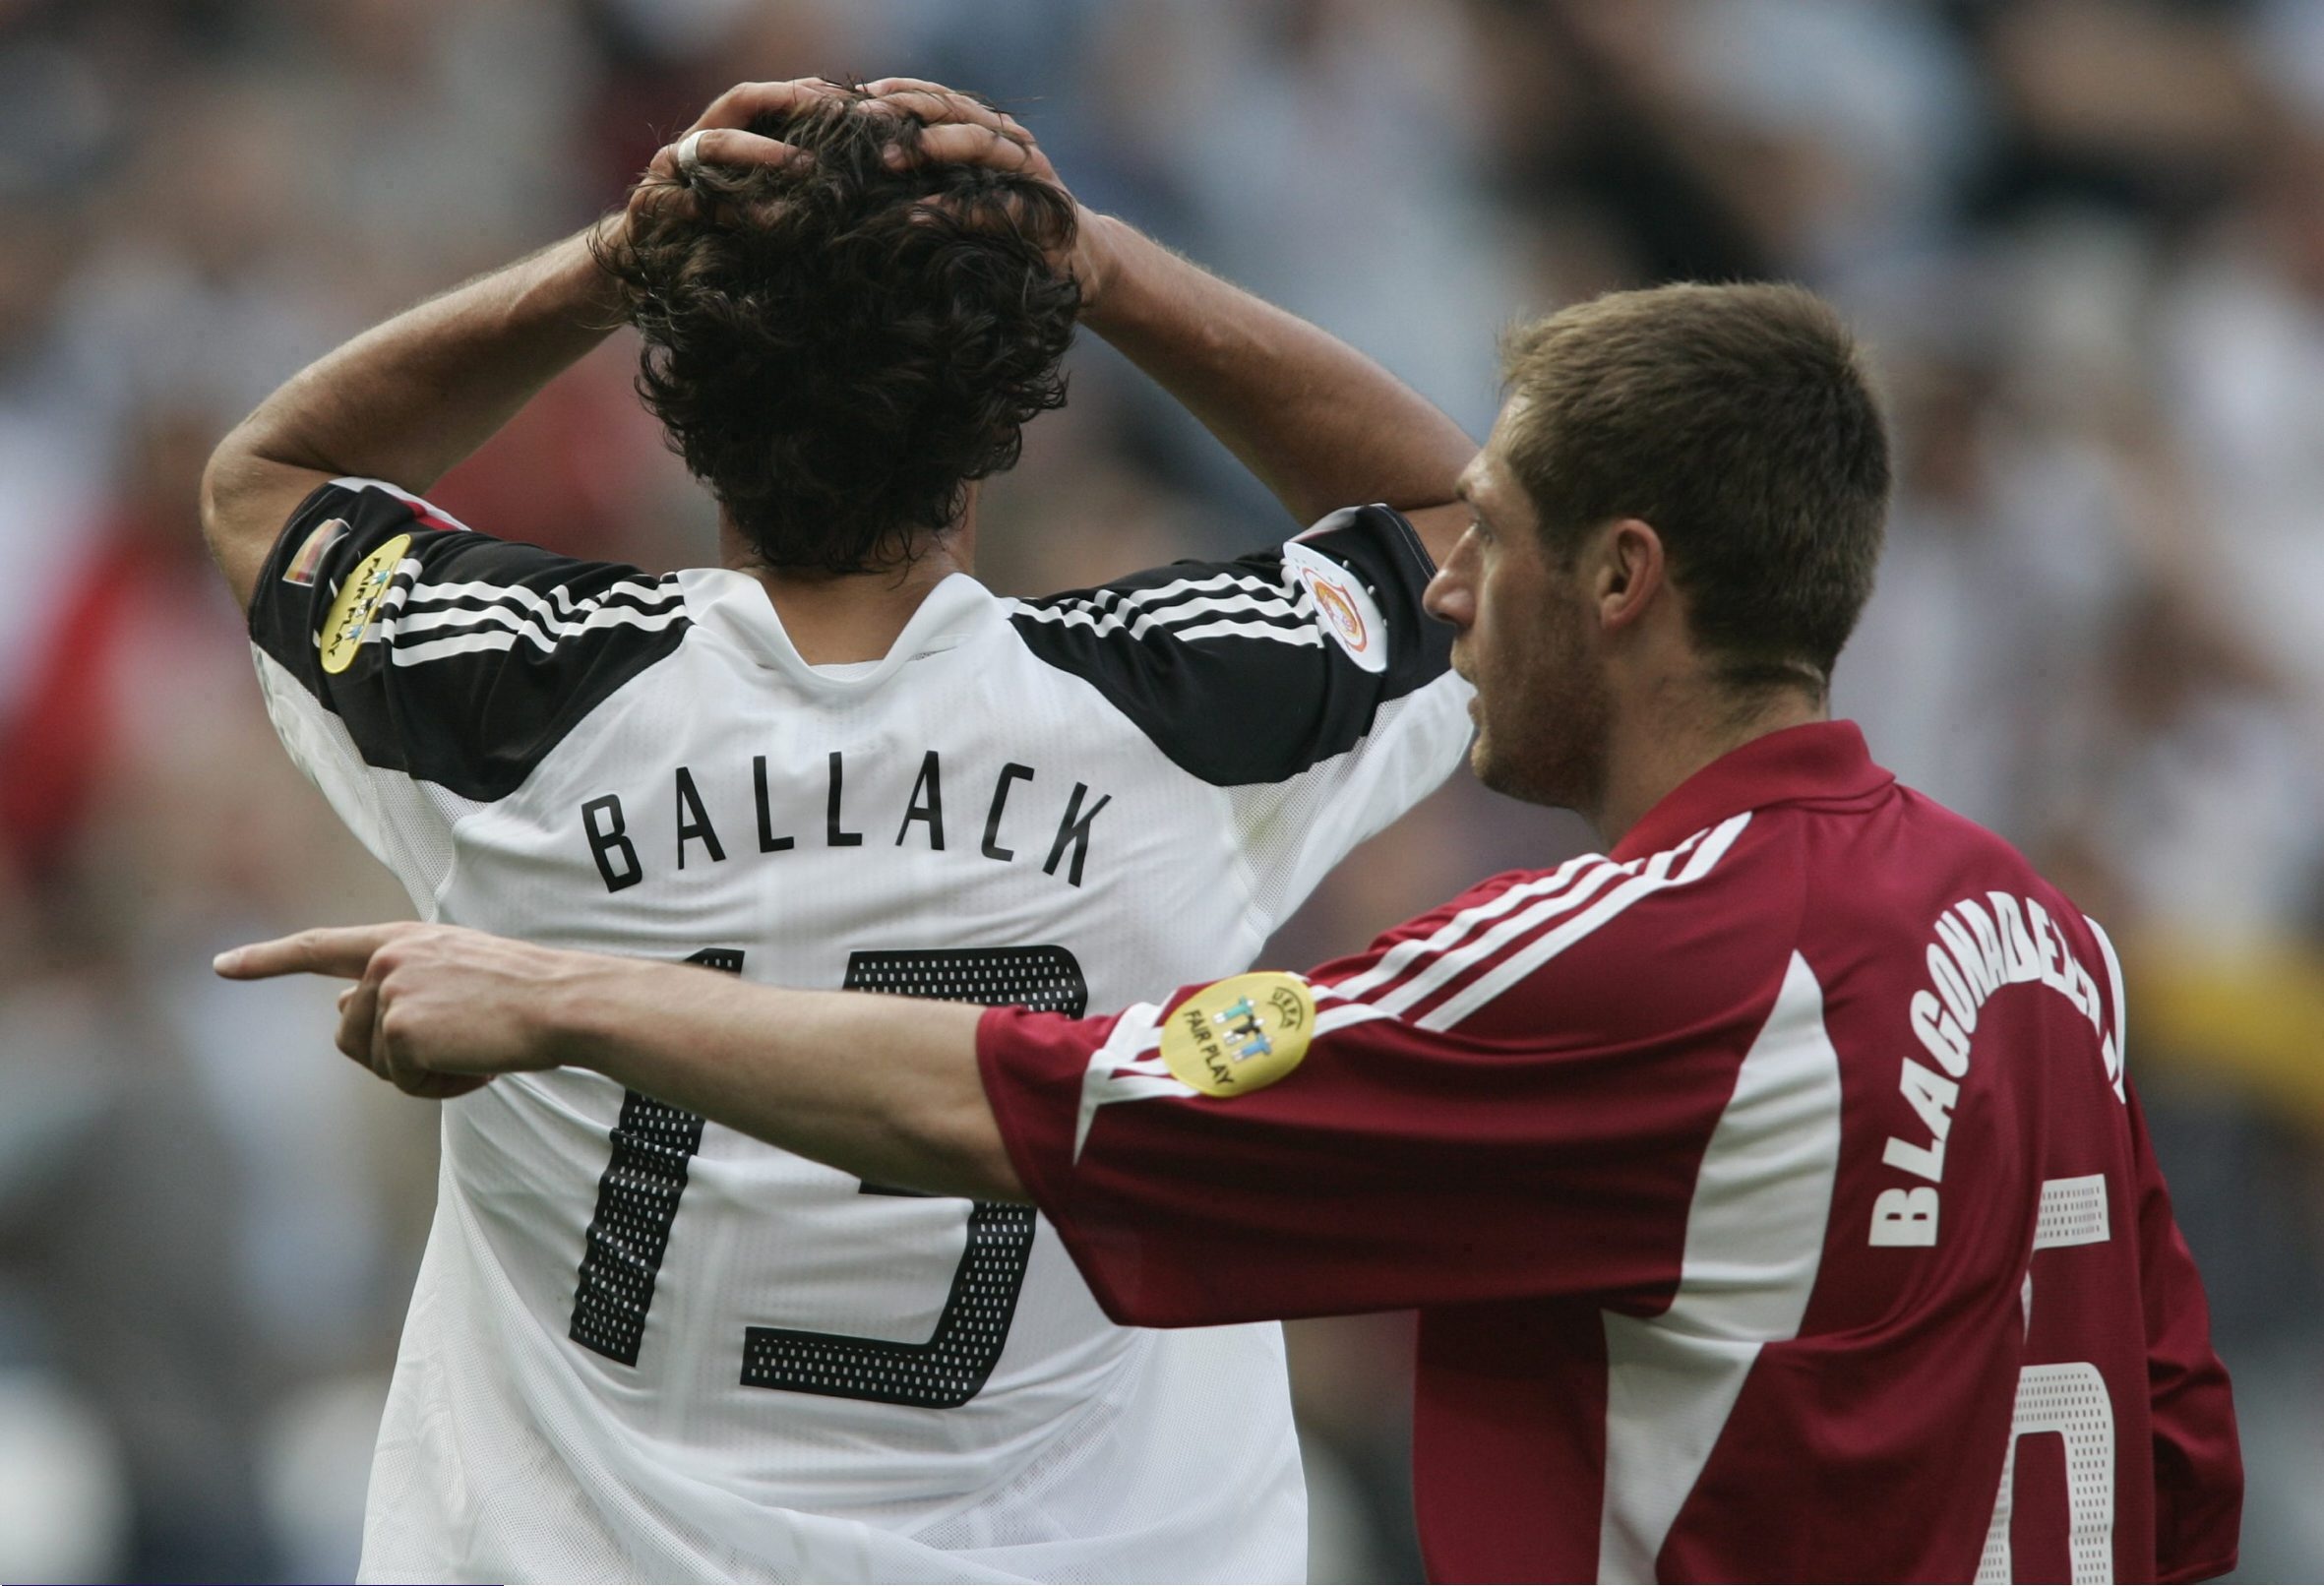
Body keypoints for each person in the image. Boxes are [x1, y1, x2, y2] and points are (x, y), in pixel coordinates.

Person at [223, 278, 2246, 1583]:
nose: (1462, 592)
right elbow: (2176, 1443)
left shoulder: (1592, 966)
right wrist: (1080, 256)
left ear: (1620, 576)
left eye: (1510, 553)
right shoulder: (2034, 936)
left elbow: (1049, 1101)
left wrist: (559, 989)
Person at [198, 79, 1479, 1582]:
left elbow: (264, 482)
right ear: (1006, 415)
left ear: (681, 402)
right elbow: (1466, 526)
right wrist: (1104, 268)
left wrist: (609, 262)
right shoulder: (1180, 715)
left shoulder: (515, 689)